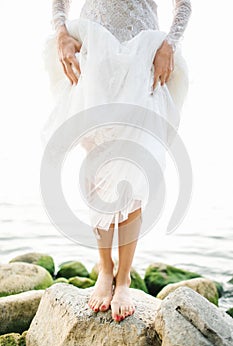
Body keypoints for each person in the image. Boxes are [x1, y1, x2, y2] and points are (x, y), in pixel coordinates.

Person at [44, 0, 192, 322]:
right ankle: (104, 268)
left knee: (133, 168)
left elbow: (183, 5)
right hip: (94, 55)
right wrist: (61, 34)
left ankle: (123, 278)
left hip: (142, 59)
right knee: (98, 167)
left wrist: (170, 44)